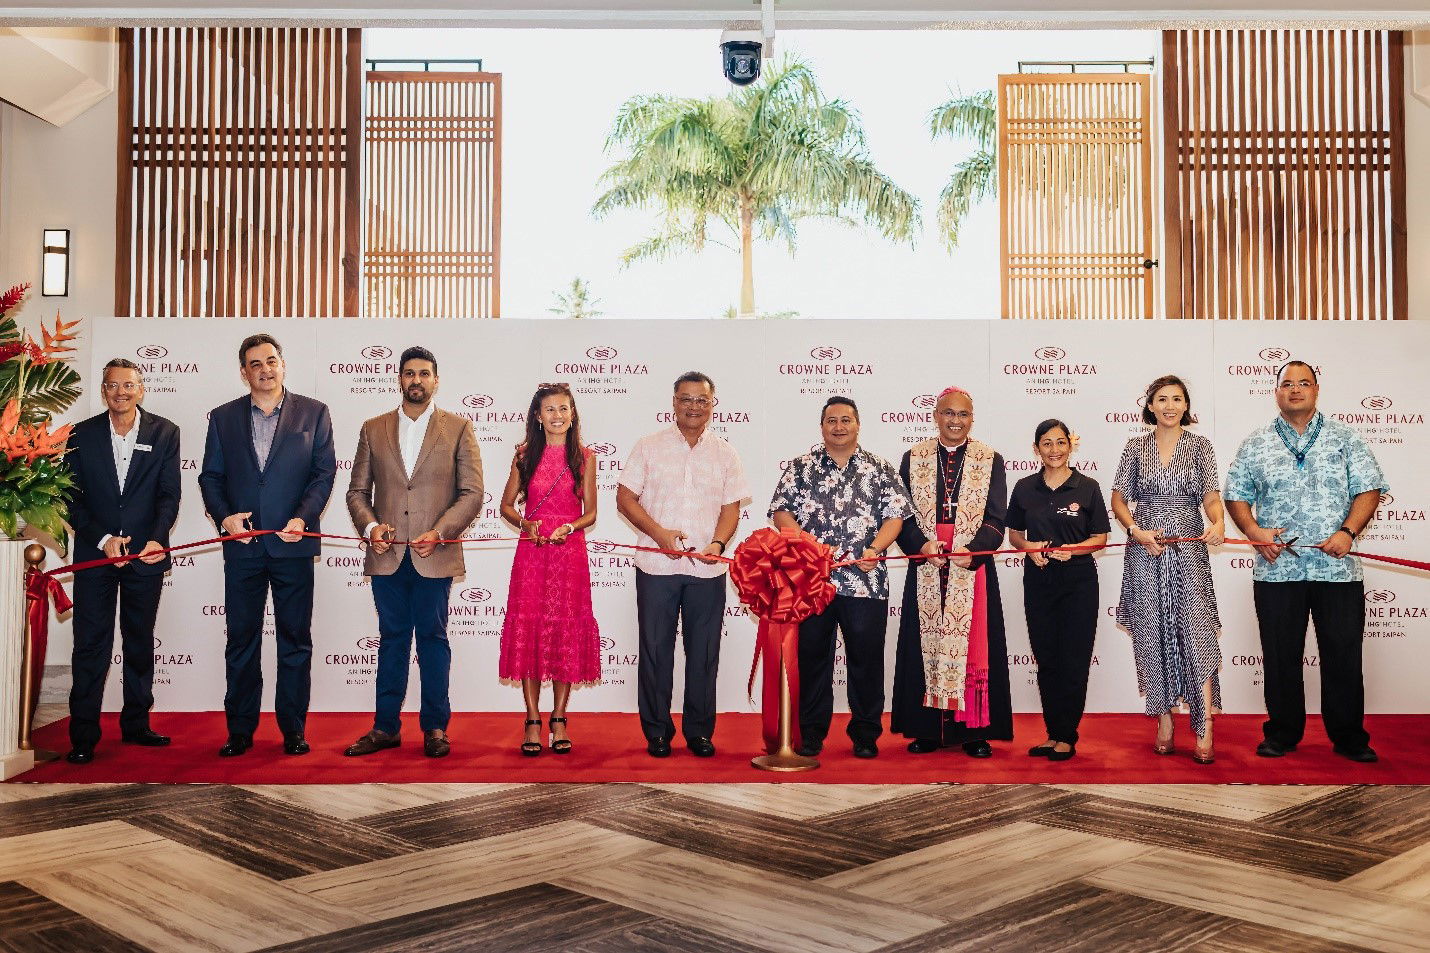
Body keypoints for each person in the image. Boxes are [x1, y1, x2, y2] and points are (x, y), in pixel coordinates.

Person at [1225, 360, 1387, 763]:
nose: (1295, 389)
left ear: (1317, 389)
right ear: (1276, 392)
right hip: (1277, 568)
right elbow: (1235, 494)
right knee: (1279, 656)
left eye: (1304, 383)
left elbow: (1369, 489)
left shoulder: (1346, 438)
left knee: (1343, 655)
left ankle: (1349, 737)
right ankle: (1281, 734)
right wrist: (1253, 531)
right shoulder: (1256, 442)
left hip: (1338, 570)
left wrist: (1348, 532)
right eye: (1287, 384)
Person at [199, 333, 336, 758]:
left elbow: (323, 473)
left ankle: (293, 729)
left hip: (293, 544)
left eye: (271, 360)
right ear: (244, 372)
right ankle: (240, 730)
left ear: (283, 364)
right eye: (255, 363)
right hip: (242, 548)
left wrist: (303, 517)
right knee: (241, 640)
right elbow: (210, 478)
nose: (265, 369)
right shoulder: (222, 418)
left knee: (295, 640)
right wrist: (225, 518)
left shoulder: (314, 413)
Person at [344, 347, 484, 759]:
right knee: (391, 641)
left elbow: (472, 494)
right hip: (387, 556)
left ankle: (436, 727)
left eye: (424, 373)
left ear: (436, 380)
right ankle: (385, 727)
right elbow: (356, 491)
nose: (416, 380)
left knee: (433, 641)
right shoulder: (373, 428)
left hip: (433, 555)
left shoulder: (458, 427)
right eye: (409, 373)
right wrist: (371, 528)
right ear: (399, 379)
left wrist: (440, 532)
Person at [769, 395, 910, 759]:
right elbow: (781, 513)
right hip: (812, 582)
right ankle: (812, 733)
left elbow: (895, 516)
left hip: (866, 580)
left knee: (866, 659)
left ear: (858, 425)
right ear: (822, 426)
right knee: (813, 657)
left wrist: (876, 549)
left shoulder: (879, 467)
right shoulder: (801, 467)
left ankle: (865, 734)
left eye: (846, 420)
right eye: (832, 420)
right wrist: (806, 547)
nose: (839, 426)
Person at [618, 371, 748, 758]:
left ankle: (699, 731)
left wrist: (718, 543)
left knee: (705, 653)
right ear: (673, 403)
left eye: (702, 400)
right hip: (656, 568)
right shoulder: (648, 446)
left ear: (713, 404)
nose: (694, 406)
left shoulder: (725, 452)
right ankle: (657, 731)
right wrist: (658, 533)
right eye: (686, 399)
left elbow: (732, 507)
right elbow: (625, 498)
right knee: (656, 651)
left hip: (707, 570)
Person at [62, 359, 181, 764]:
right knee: (91, 645)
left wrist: (154, 540)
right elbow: (71, 498)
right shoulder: (81, 434)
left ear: (141, 389)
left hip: (145, 557)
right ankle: (83, 736)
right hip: (95, 558)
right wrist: (104, 539)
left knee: (139, 641)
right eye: (112, 385)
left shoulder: (165, 432)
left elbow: (169, 495)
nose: (120, 392)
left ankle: (136, 725)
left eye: (128, 385)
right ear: (103, 390)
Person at [892, 387, 1013, 759]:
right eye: (948, 413)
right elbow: (903, 515)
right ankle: (928, 729)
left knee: (977, 648)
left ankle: (974, 731)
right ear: (936, 416)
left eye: (963, 414)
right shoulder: (913, 458)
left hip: (970, 566)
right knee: (924, 647)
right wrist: (920, 545)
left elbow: (996, 517)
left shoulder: (989, 458)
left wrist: (973, 551)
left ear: (971, 418)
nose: (955, 421)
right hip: (927, 563)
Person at [1111, 374, 1225, 764]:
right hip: (1145, 549)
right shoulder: (1134, 447)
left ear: (1186, 405)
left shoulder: (1200, 447)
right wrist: (1136, 530)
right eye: (1162, 399)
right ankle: (1164, 720)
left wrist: (1218, 521)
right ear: (1150, 406)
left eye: (1177, 399)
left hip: (1189, 549)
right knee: (1150, 633)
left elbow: (1210, 495)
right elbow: (1119, 498)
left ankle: (1205, 723)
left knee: (1198, 634)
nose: (1170, 406)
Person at [498, 383, 599, 756]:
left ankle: (559, 719)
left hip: (569, 553)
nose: (558, 416)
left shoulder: (585, 457)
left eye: (564, 409)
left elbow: (591, 512)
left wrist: (569, 527)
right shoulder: (524, 456)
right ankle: (531, 719)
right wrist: (528, 526)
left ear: (573, 414)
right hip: (533, 553)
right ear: (538, 417)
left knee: (563, 632)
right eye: (550, 410)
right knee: (530, 628)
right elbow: (507, 505)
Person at [1007, 419, 1110, 761]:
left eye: (1060, 442)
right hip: (1038, 580)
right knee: (1047, 658)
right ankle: (1053, 734)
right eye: (1046, 444)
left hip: (1078, 581)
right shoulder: (1024, 487)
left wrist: (1076, 548)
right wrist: (1029, 548)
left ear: (1070, 446)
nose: (1054, 449)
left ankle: (1067, 735)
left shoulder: (1088, 486)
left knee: (1074, 659)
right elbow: (1014, 533)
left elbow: (1101, 538)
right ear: (1036, 449)